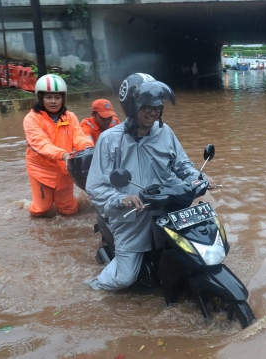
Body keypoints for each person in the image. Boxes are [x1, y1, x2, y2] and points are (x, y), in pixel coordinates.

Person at [85, 73, 215, 291]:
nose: (154, 112)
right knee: (124, 279)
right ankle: (92, 287)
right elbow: (96, 186)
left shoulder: (165, 132)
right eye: (147, 106)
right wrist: (121, 198)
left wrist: (199, 177)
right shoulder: (110, 140)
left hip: (168, 210)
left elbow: (182, 166)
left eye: (157, 106)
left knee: (201, 253)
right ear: (132, 106)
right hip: (131, 216)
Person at [23, 74, 94, 217]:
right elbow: (41, 143)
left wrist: (88, 147)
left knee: (68, 210)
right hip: (41, 170)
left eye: (57, 97)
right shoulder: (31, 119)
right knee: (41, 209)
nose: (53, 101)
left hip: (64, 168)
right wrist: (63, 154)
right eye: (49, 97)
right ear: (40, 98)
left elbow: (78, 136)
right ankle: (25, 205)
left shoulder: (70, 117)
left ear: (63, 98)